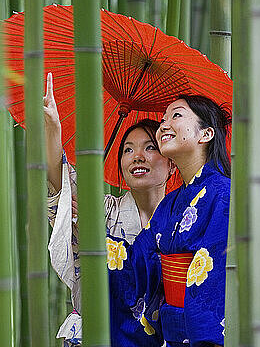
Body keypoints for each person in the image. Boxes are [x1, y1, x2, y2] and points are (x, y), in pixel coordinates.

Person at [43, 73, 175, 346]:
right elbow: (60, 184)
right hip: (93, 336)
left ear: (171, 163)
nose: (137, 156)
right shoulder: (100, 209)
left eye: (150, 147)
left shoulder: (181, 218)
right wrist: (53, 129)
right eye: (128, 150)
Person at [133, 94, 232, 347]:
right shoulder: (170, 203)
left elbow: (214, 283)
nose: (163, 125)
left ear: (206, 134)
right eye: (163, 119)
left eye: (176, 115)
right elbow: (137, 262)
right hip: (170, 335)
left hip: (202, 334)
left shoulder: (223, 194)